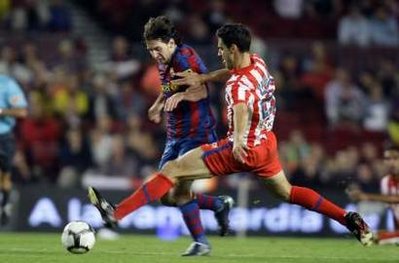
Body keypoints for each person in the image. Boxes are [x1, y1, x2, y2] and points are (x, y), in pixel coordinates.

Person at [88, 23, 374, 251]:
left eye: (222, 49)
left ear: (234, 48)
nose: (220, 53)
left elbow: (239, 106)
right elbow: (232, 73)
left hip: (243, 147)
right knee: (288, 192)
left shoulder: (237, 86)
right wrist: (203, 78)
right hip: (266, 143)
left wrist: (237, 140)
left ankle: (118, 213)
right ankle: (348, 219)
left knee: (172, 170)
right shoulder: (258, 63)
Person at [91, 16, 233, 256]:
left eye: (157, 48)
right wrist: (159, 103)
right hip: (175, 134)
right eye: (150, 50)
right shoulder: (163, 61)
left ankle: (117, 212)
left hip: (197, 134)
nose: (154, 54)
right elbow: (170, 87)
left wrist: (183, 97)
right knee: (169, 196)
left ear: (170, 42)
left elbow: (201, 89)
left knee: (170, 184)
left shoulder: (184, 57)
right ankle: (218, 205)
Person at [347, 145, 399, 245]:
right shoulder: (385, 182)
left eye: (396, 158)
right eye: (388, 159)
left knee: (373, 238)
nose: (392, 162)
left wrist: (367, 197)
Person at [0, 75, 28, 225]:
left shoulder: (7, 84)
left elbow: (22, 111)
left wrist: (1, 111)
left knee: (4, 177)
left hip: (3, 137)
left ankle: (5, 205)